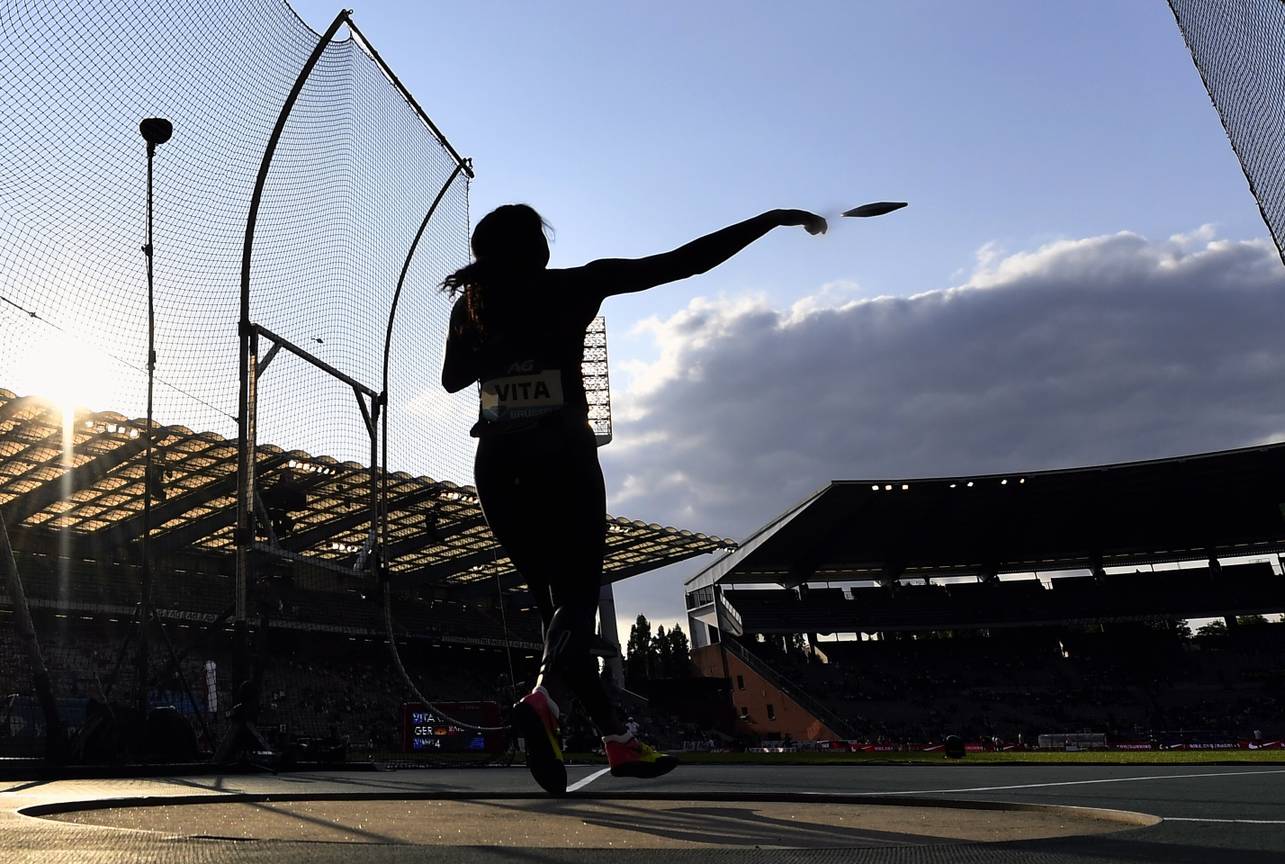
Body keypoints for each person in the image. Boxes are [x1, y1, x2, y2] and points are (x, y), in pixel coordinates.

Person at [441, 203, 827, 794]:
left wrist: (501, 346)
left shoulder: (470, 307)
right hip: (560, 453)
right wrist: (768, 219)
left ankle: (616, 738)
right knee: (576, 593)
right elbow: (682, 264)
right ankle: (545, 698)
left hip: (496, 461)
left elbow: (452, 379)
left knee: (554, 612)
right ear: (537, 248)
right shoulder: (577, 285)